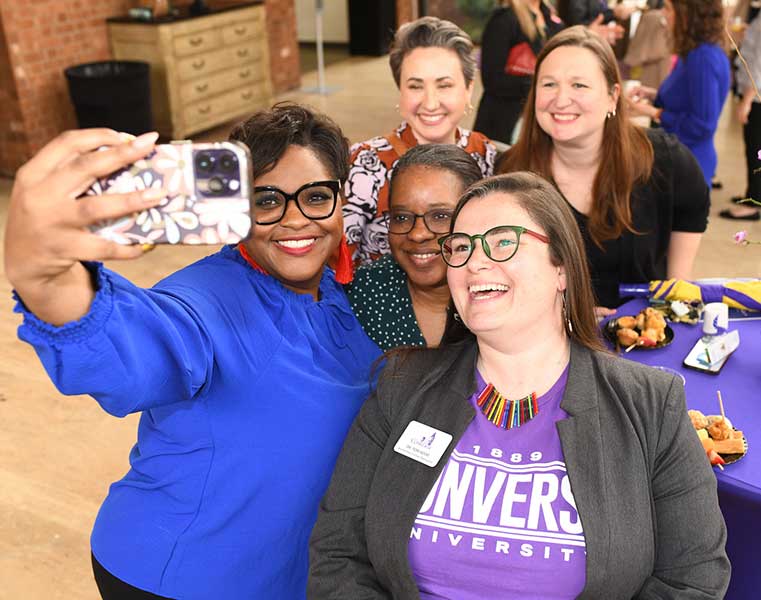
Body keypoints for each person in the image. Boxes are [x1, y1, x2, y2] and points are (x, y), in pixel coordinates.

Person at [4, 104, 381, 599]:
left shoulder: (342, 294)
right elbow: (132, 348)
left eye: (315, 197)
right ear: (237, 209)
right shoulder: (206, 302)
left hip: (286, 572)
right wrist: (46, 279)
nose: (295, 221)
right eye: (267, 200)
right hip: (183, 576)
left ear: (340, 201)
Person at [308, 172, 730, 599]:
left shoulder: (650, 406)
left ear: (561, 267)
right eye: (461, 247)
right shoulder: (401, 389)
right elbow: (339, 554)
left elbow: (692, 579)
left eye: (502, 241)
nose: (475, 261)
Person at [496, 26, 709, 311]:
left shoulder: (666, 163)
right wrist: (571, 316)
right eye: (548, 84)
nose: (561, 99)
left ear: (612, 96)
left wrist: (670, 303)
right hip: (547, 341)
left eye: (579, 85)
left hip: (642, 342)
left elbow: (679, 289)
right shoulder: (510, 175)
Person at [343, 16, 497, 265]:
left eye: (444, 85)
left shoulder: (485, 154)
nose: (430, 102)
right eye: (415, 86)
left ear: (468, 89)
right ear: (400, 92)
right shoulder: (365, 163)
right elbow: (338, 266)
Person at [347, 144, 482, 350]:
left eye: (440, 216)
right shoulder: (362, 295)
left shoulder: (501, 293)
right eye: (401, 217)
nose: (418, 234)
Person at [628, 0, 731, 186]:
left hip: (688, 163)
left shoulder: (702, 58)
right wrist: (652, 94)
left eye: (668, 8)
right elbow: (688, 97)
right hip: (680, 156)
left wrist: (652, 112)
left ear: (686, 14)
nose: (664, 14)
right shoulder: (694, 52)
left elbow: (702, 125)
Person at [474, 0, 566, 145]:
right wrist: (538, 85)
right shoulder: (503, 20)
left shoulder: (551, 19)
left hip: (541, 126)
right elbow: (492, 80)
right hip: (504, 125)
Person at [720, 12, 761, 222]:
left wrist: (746, 100)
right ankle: (753, 197)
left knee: (756, 149)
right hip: (755, 95)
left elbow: (758, 65)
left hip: (756, 98)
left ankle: (754, 202)